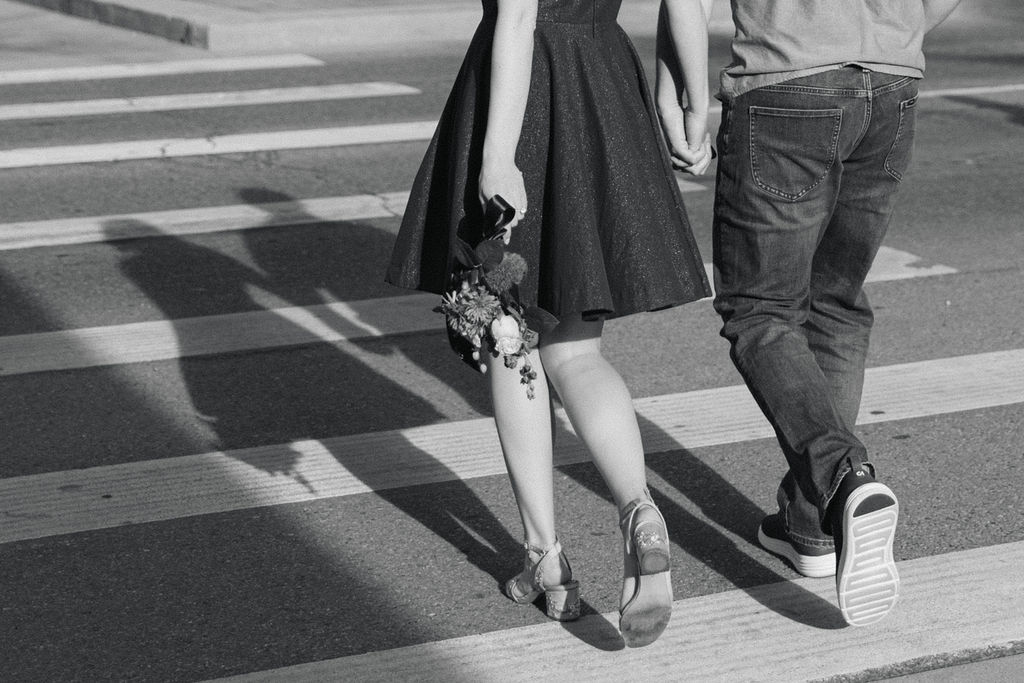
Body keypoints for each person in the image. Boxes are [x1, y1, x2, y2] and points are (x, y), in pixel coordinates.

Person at [387, 0, 714, 647]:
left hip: (525, 93)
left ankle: (545, 557)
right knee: (578, 351)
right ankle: (639, 510)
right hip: (601, 84)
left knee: (512, 338)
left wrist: (497, 156)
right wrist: (691, 106)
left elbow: (516, 16)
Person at [657, 0, 963, 626]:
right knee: (837, 304)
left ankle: (843, 478)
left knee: (760, 311)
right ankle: (811, 525)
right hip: (892, 86)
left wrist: (688, 102)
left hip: (786, 84)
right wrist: (894, 35)